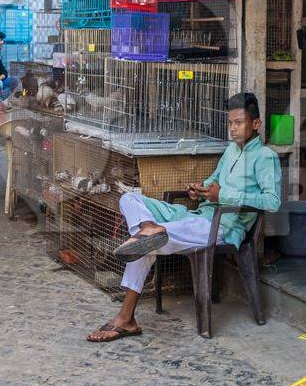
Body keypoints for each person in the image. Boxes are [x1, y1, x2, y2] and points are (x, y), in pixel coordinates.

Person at [87, 92, 282, 342]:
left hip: (222, 226)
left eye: (239, 123)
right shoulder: (231, 151)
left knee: (144, 245)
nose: (232, 129)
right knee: (129, 199)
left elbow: (272, 202)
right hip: (197, 216)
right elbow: (214, 181)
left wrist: (224, 195)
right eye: (230, 123)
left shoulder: (266, 158)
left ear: (255, 124)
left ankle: (126, 318)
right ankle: (148, 228)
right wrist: (201, 190)